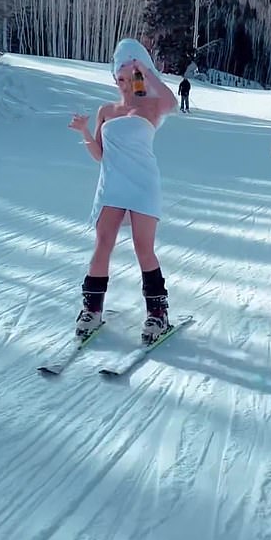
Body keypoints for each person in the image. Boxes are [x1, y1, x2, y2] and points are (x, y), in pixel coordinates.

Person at [68, 38, 178, 345]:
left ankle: (158, 314)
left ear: (139, 77)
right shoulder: (107, 109)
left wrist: (144, 67)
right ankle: (92, 309)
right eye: (120, 78)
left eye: (131, 78)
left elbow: (172, 102)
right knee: (103, 242)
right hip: (112, 184)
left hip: (143, 184)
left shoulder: (152, 105)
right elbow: (101, 155)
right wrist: (86, 132)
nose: (125, 84)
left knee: (144, 247)